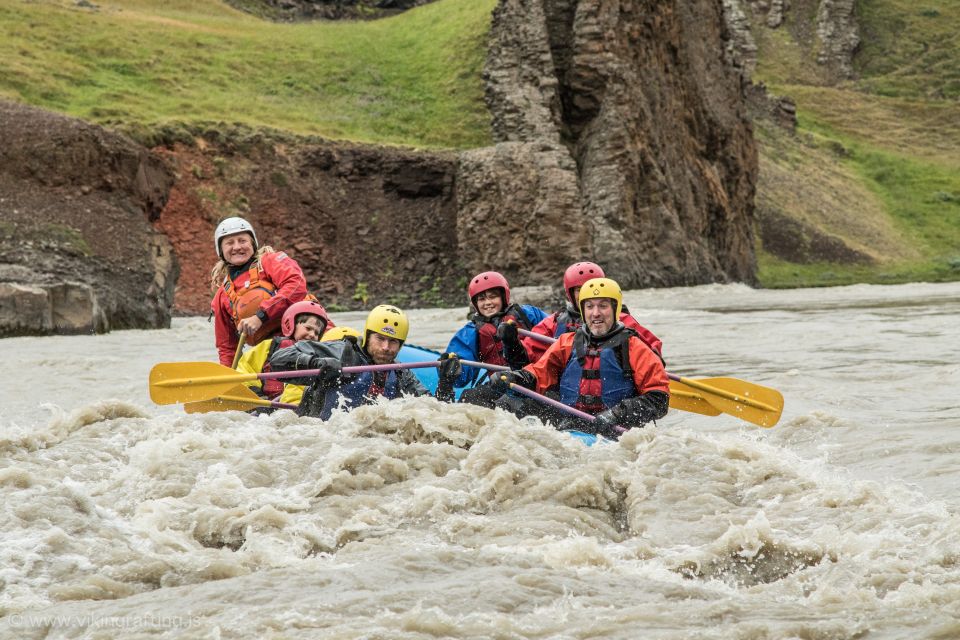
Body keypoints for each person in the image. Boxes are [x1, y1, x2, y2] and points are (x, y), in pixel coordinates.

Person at [497, 277, 669, 439]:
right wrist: (517, 377)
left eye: (603, 306)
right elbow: (540, 373)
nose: (596, 313)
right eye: (589, 307)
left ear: (615, 309)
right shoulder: (567, 342)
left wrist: (616, 414)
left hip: (617, 433)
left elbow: (659, 399)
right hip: (572, 428)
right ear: (582, 310)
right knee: (508, 403)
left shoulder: (635, 347)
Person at [268, 305, 462, 419]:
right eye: (380, 339)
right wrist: (315, 364)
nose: (386, 347)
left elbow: (434, 416)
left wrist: (445, 384)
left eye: (393, 342)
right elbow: (278, 362)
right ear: (368, 336)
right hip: (320, 436)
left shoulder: (401, 374)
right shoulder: (342, 352)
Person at [210, 216, 309, 366]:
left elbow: (296, 285)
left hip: (309, 337)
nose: (237, 247)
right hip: (270, 353)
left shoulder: (270, 261)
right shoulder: (221, 296)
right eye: (229, 243)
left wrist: (260, 317)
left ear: (252, 243)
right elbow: (227, 347)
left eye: (242, 241)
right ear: (221, 251)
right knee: (269, 384)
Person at [523, 262, 664, 363]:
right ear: (570, 293)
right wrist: (512, 344)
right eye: (579, 289)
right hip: (567, 388)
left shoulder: (619, 319)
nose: (586, 292)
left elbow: (652, 347)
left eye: (590, 286)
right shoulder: (555, 321)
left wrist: (652, 362)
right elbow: (528, 352)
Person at [443, 271, 548, 407]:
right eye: (481, 299)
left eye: (493, 297)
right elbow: (461, 378)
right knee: (469, 397)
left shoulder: (528, 314)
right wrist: (452, 370)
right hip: (501, 384)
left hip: (536, 379)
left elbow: (554, 332)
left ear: (504, 296)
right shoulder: (471, 332)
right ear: (475, 303)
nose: (488, 303)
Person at [235, 300, 333, 404]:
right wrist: (256, 396)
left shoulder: (318, 357)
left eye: (317, 333)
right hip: (264, 403)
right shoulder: (269, 346)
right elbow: (245, 370)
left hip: (296, 406)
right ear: (291, 324)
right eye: (308, 328)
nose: (312, 334)